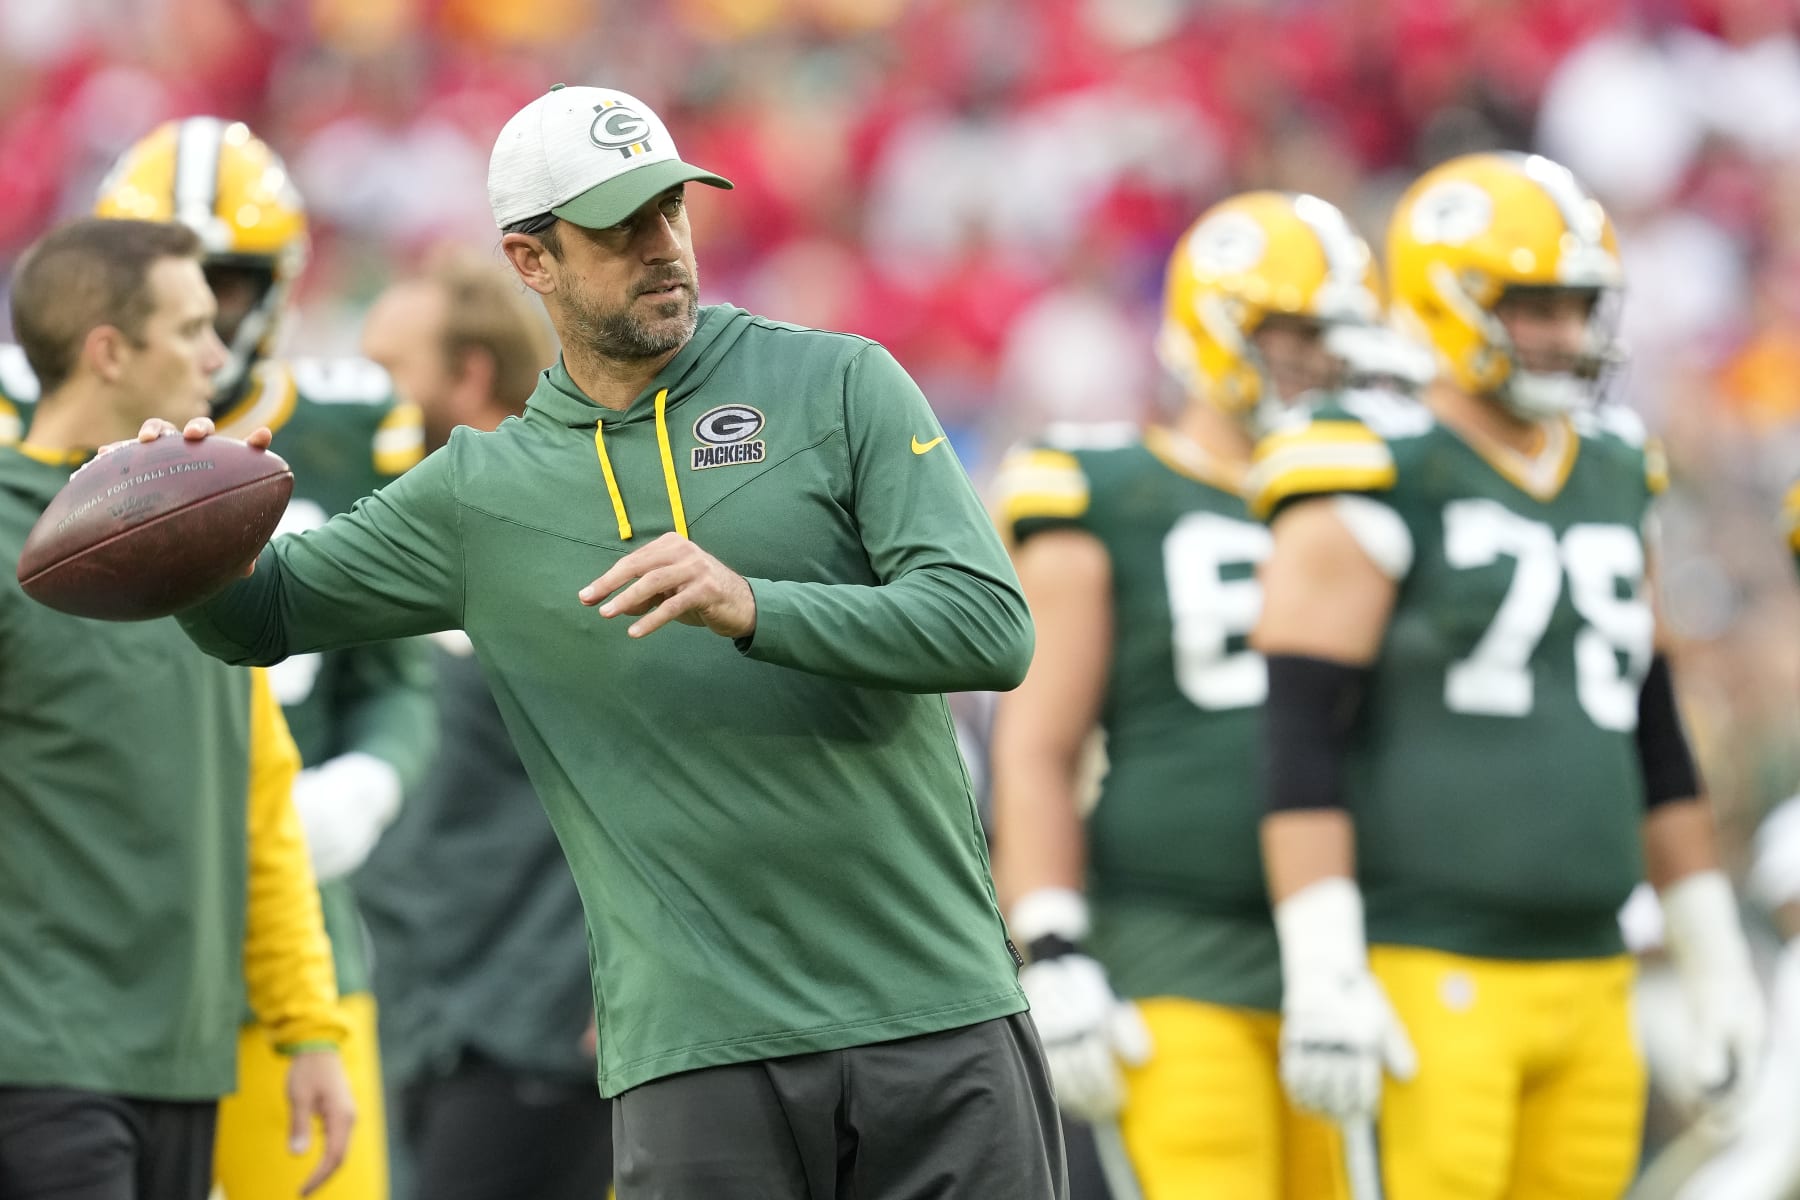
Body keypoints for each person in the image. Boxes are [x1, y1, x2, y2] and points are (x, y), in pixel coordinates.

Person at [140, 84, 1061, 1199]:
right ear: (532, 262)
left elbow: (990, 628)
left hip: (936, 1010)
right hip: (695, 1052)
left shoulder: (839, 382)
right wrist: (174, 513)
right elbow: (259, 615)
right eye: (620, 227)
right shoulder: (480, 493)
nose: (663, 247)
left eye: (670, 210)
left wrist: (756, 605)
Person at [1247, 151, 1765, 1199]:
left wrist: (1712, 954)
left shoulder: (1616, 467)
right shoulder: (1369, 463)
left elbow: (1652, 728)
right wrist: (1324, 966)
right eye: (1537, 307)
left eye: (1581, 307)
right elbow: (1298, 739)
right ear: (1449, 303)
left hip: (1593, 966)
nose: (1569, 336)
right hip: (1432, 966)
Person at [990, 191, 1377, 1200]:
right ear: (1216, 329)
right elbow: (1037, 745)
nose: (1319, 361)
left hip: (1360, 947)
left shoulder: (1373, 492)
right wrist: (1051, 941)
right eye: (1292, 333)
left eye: (1333, 335)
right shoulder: (1108, 489)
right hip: (1174, 946)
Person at [86, 116, 438, 1200]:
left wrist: (365, 787)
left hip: (301, 940)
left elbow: (400, 676)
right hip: (99, 929)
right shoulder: (36, 429)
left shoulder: (351, 424)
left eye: (225, 283)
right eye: (167, 281)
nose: (201, 317)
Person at [0, 216, 355, 1199]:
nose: (220, 350)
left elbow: (260, 806)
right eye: (192, 326)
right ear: (109, 352)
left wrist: (308, 1027)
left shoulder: (200, 542)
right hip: (32, 1064)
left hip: (184, 1069)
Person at [349, 253, 613, 1200]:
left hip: (542, 1020)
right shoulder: (410, 539)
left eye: (389, 369)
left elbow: (649, 767)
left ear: (467, 375)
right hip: (432, 1015)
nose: (364, 396)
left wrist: (609, 985)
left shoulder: (575, 533)